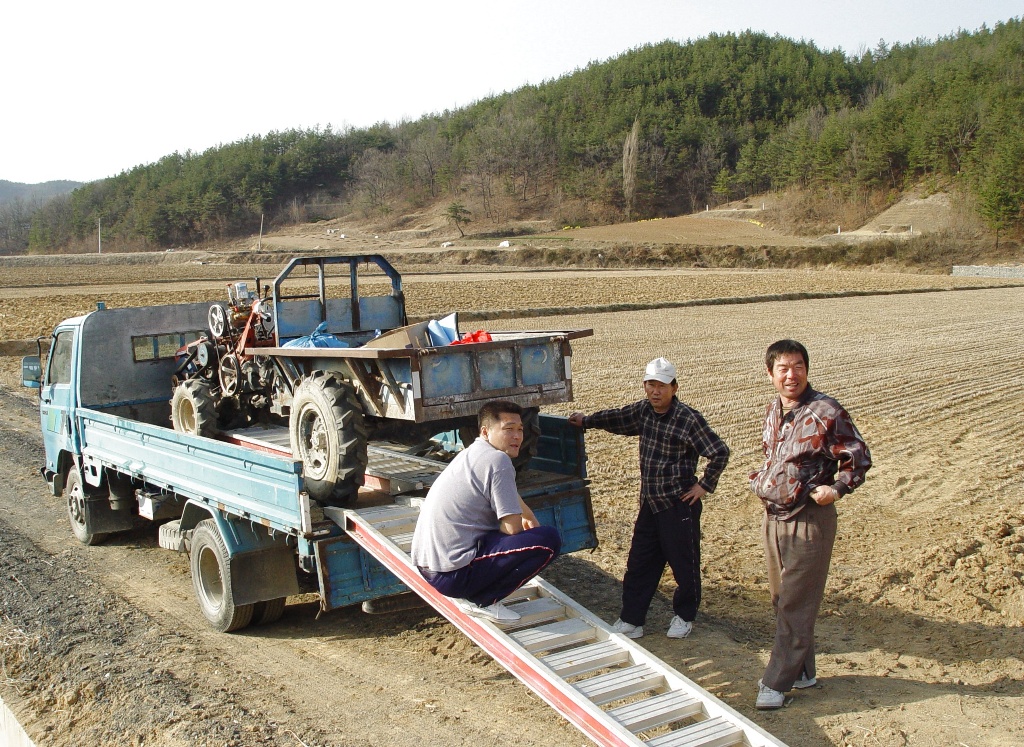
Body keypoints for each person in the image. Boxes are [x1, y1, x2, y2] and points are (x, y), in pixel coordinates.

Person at [568, 357, 729, 640]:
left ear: (674, 388)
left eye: (662, 386)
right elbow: (617, 418)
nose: (656, 391)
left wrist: (703, 486)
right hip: (650, 503)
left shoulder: (688, 419)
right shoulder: (643, 411)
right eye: (651, 384)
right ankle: (632, 620)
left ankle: (684, 617)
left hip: (678, 504)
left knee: (684, 564)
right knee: (639, 563)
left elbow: (719, 452)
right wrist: (587, 421)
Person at [750, 339, 872, 710]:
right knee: (781, 600)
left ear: (807, 369)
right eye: (783, 368)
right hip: (774, 516)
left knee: (796, 604)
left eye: (798, 367)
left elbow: (858, 456)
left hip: (808, 519)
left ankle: (776, 683)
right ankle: (803, 672)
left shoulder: (825, 410)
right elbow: (774, 456)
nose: (792, 375)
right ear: (770, 373)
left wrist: (836, 489)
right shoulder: (774, 410)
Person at [411, 400, 562, 623]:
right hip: (452, 575)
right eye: (508, 429)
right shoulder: (498, 460)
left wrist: (528, 514)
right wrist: (523, 536)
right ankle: (483, 600)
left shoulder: (473, 452)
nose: (517, 436)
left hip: (430, 566)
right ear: (485, 431)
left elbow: (507, 493)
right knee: (548, 540)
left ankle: (477, 590)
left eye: (520, 429)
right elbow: (512, 529)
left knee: (514, 534)